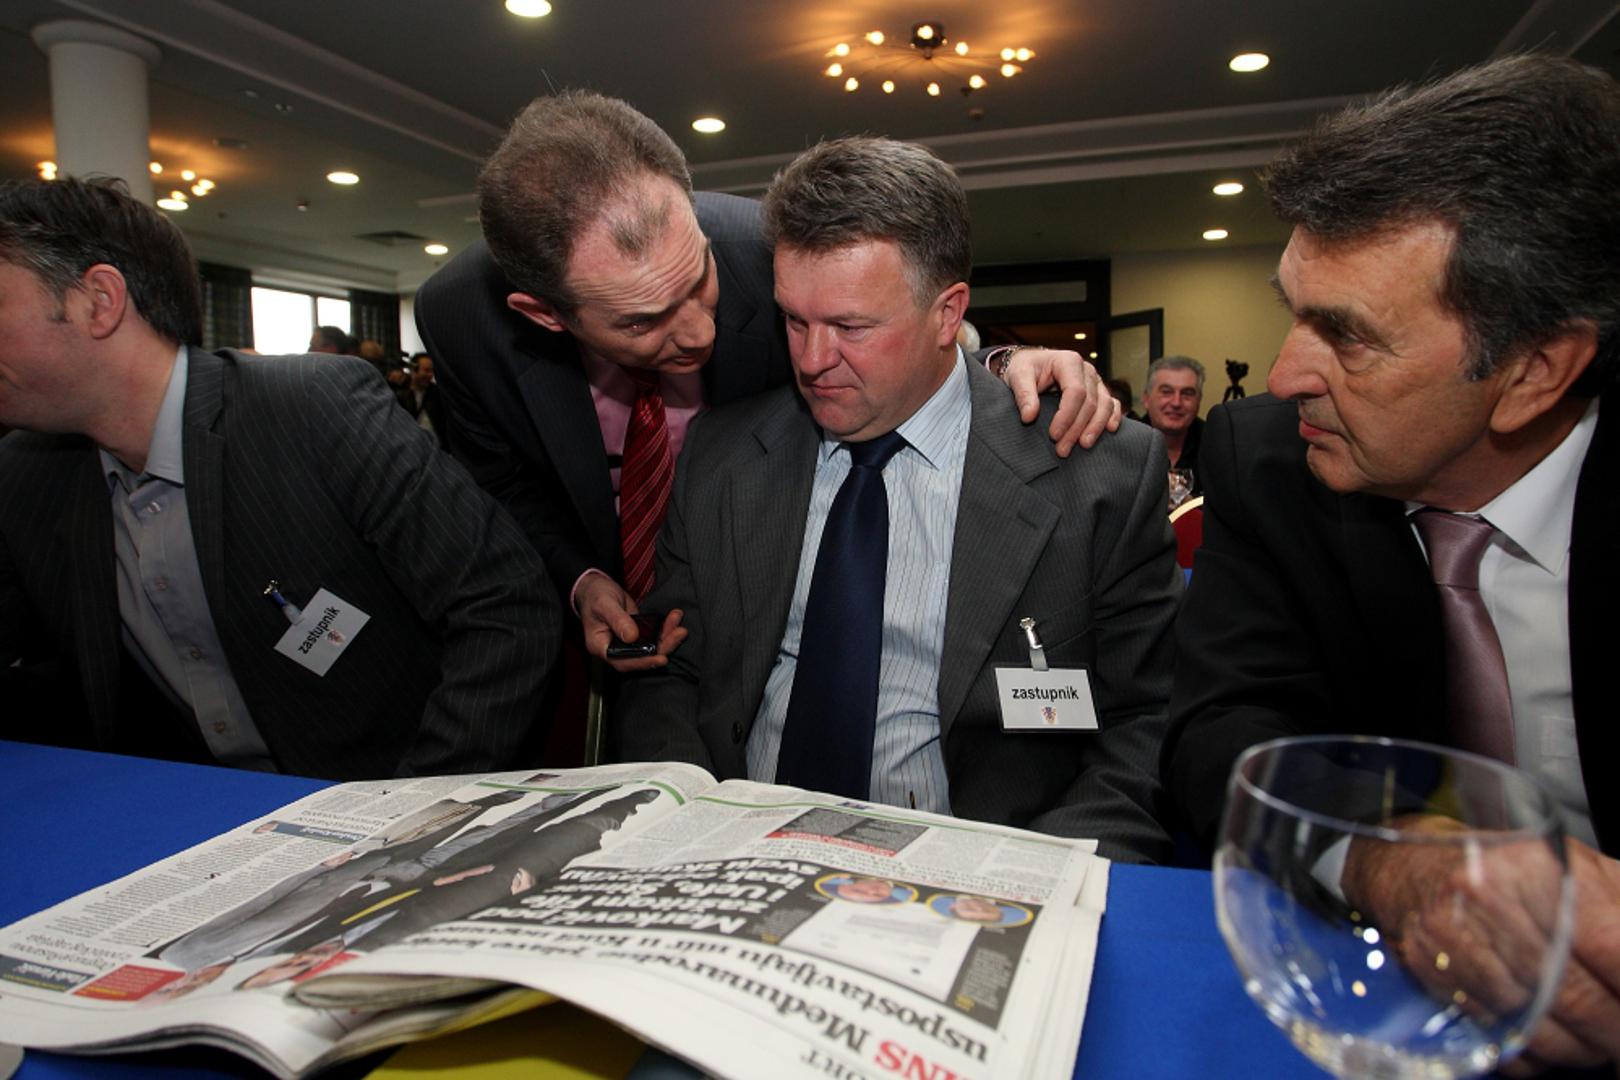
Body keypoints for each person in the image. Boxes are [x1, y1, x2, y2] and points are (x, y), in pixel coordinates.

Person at [1160, 55, 1620, 1071]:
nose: (1284, 374)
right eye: (1292, 308)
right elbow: (1220, 731)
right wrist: (1396, 861)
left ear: (1536, 371)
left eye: (1349, 337)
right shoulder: (1269, 464)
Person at [414, 91, 1121, 675]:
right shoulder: (463, 321)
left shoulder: (763, 250)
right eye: (641, 322)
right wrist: (580, 579)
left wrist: (1000, 363)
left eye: (698, 278)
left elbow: (903, 334)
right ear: (545, 315)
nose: (699, 333)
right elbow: (502, 489)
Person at [613, 137, 1180, 864]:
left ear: (947, 315)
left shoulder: (1094, 472)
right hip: (736, 853)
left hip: (982, 867)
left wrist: (1037, 879)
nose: (812, 360)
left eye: (851, 327)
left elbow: (1146, 723)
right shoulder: (723, 457)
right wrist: (687, 824)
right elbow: (669, 671)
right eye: (794, 320)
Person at [0, 176, 559, 780]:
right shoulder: (23, 476)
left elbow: (505, 603)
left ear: (98, 301)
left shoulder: (312, 409)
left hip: (396, 787)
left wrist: (414, 805)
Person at [1141, 355, 1204, 500]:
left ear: (1199, 401)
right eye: (1166, 392)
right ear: (1146, 399)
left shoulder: (1217, 445)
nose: (1176, 403)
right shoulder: (1123, 445)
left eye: (1187, 394)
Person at [404, 353, 450, 449]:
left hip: (436, 449)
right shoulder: (401, 393)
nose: (430, 375)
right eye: (426, 370)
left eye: (432, 371)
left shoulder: (438, 394)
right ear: (414, 370)